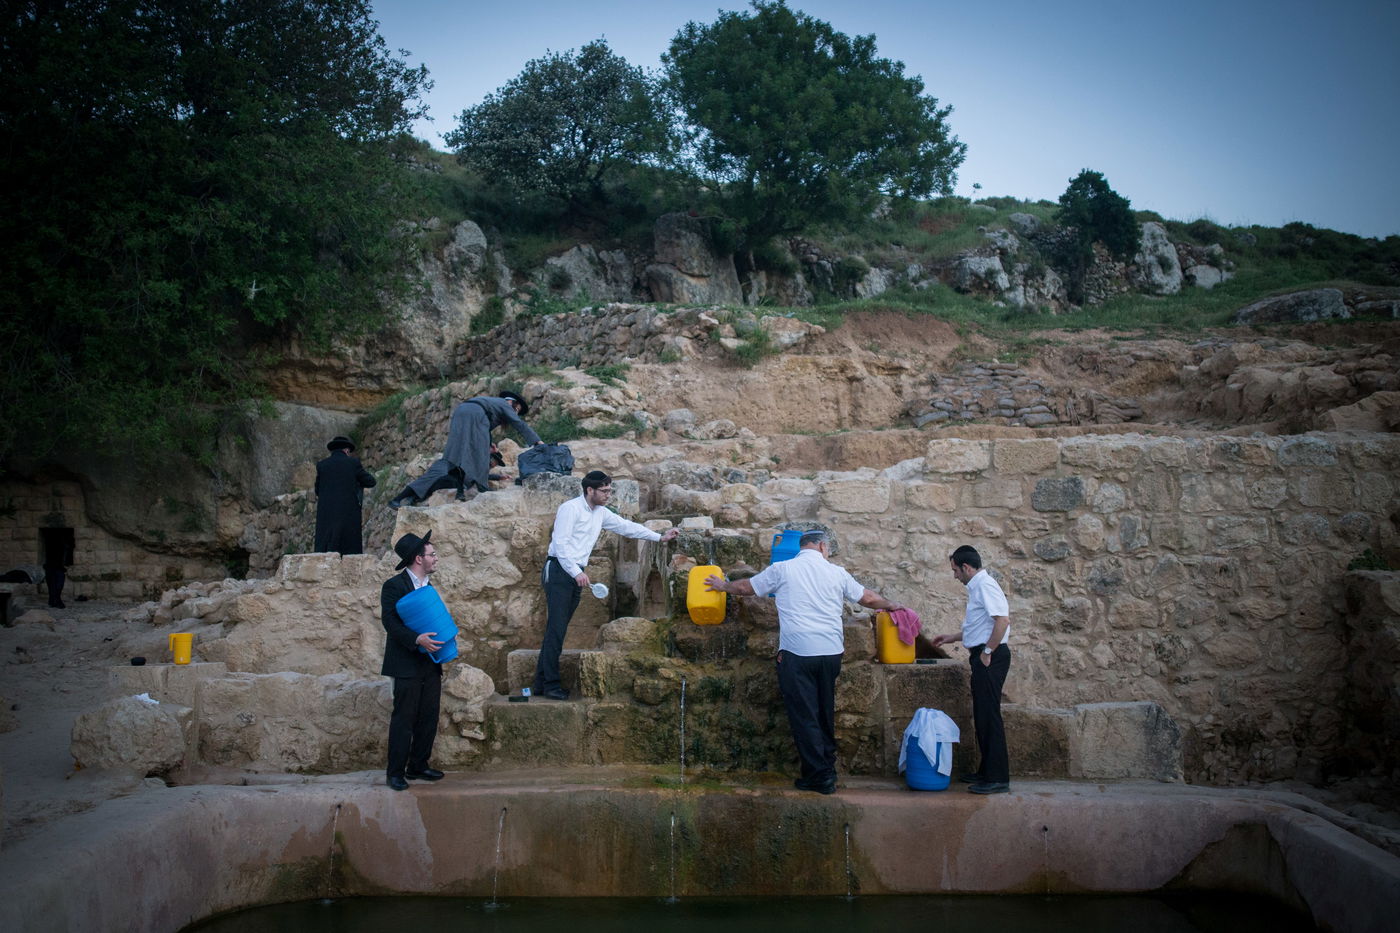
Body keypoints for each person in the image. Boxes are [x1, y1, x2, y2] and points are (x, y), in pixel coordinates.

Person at [705, 530, 903, 794]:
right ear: (822, 546)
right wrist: (892, 605)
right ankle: (828, 768)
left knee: (805, 716)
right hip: (831, 652)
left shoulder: (783, 569)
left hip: (798, 653)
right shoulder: (837, 572)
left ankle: (819, 777)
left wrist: (722, 586)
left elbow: (747, 587)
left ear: (802, 547)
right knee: (824, 711)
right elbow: (867, 598)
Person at [534, 470, 679, 700]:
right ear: (589, 490)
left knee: (557, 628)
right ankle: (550, 685)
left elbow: (626, 527)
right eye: (604, 491)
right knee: (556, 629)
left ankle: (541, 684)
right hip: (560, 570)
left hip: (575, 571)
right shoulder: (570, 509)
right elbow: (560, 545)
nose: (608, 495)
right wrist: (575, 572)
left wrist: (659, 537)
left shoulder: (600, 512)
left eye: (610, 490)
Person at [930, 545, 1012, 795]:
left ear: (966, 567)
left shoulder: (985, 585)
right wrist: (951, 637)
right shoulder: (977, 587)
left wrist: (987, 652)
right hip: (984, 654)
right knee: (983, 714)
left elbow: (1002, 620)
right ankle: (987, 770)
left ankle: (997, 777)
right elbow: (979, 625)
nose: (955, 576)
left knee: (989, 716)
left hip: (991, 656)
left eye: (955, 570)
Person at [390, 392, 540, 508]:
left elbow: (482, 427)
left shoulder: (488, 404)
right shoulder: (504, 404)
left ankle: (398, 499)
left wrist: (487, 443)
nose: (515, 413)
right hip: (474, 416)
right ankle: (483, 490)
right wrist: (537, 442)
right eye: (516, 409)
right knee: (479, 456)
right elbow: (519, 424)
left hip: (461, 413)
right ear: (512, 402)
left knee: (452, 460)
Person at [380, 531, 446, 791]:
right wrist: (416, 639)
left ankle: (418, 764)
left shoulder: (428, 587)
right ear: (418, 559)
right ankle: (395, 772)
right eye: (432, 554)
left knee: (428, 716)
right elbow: (390, 622)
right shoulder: (394, 586)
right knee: (404, 718)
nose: (435, 558)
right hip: (405, 661)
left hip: (430, 662)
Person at [313, 436, 377, 554]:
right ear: (346, 450)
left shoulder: (322, 465)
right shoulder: (353, 463)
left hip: (326, 514)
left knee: (325, 549)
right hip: (347, 514)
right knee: (348, 549)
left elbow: (317, 490)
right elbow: (371, 481)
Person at [40, 527, 74, 609]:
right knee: (52, 584)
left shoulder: (64, 544)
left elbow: (68, 550)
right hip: (51, 566)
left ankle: (56, 600)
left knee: (58, 584)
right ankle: (54, 600)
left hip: (58, 567)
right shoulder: (51, 542)